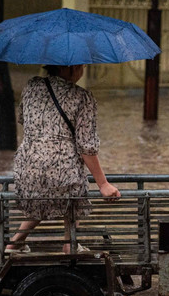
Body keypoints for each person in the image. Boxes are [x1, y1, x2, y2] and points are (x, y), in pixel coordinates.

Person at [7, 64, 120, 254]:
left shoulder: (31, 87)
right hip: (63, 172)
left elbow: (23, 119)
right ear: (71, 67)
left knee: (45, 195)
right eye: (82, 66)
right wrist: (103, 184)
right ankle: (70, 242)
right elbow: (87, 146)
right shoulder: (82, 97)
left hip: (26, 168)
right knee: (69, 184)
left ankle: (15, 241)